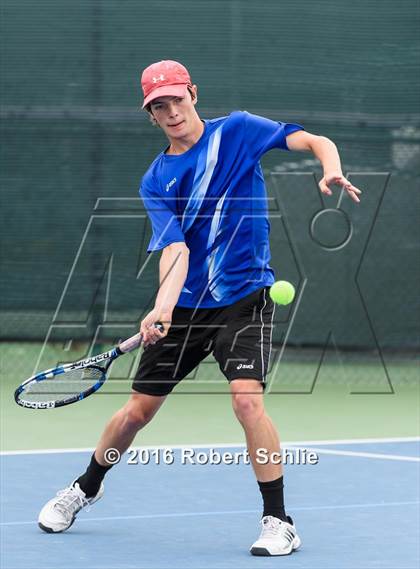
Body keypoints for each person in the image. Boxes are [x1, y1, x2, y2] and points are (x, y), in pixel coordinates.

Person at [38, 60, 361, 556]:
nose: (171, 112)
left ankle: (278, 519)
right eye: (158, 106)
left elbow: (315, 141)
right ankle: (86, 486)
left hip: (246, 298)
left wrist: (331, 169)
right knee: (136, 413)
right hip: (187, 308)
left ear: (193, 92)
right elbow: (176, 250)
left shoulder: (237, 131)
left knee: (247, 400)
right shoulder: (156, 179)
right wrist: (162, 307)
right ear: (150, 115)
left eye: (176, 99)